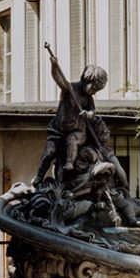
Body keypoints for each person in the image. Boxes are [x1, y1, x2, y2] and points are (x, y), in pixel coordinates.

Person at [33, 45, 132, 196]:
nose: (93, 91)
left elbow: (93, 111)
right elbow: (58, 78)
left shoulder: (88, 98)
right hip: (58, 130)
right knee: (49, 152)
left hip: (76, 131)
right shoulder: (70, 89)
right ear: (87, 79)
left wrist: (88, 114)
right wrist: (54, 65)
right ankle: (38, 178)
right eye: (93, 88)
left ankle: (69, 163)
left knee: (73, 142)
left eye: (96, 90)